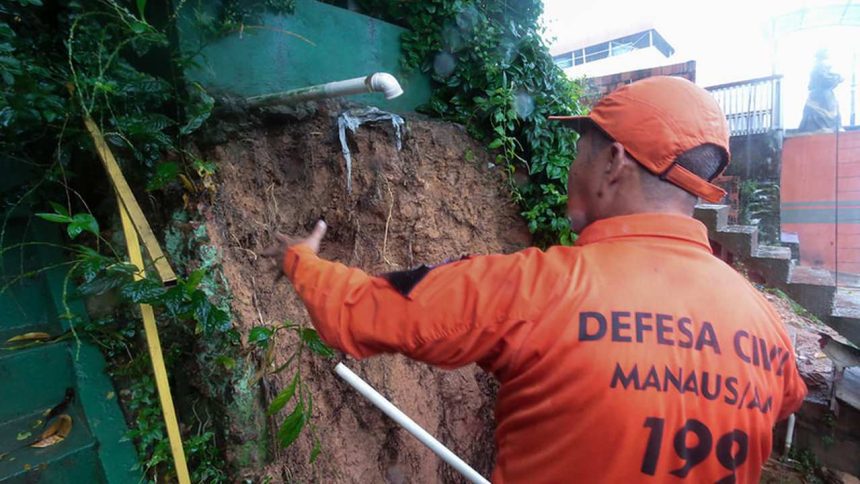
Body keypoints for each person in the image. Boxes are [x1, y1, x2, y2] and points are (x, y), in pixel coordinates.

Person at [266, 76, 807, 483]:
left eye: (580, 150)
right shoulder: (767, 327)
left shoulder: (535, 290)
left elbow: (362, 310)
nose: (572, 167)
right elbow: (785, 399)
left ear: (614, 161)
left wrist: (303, 262)